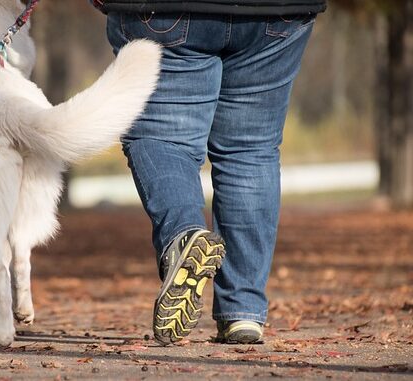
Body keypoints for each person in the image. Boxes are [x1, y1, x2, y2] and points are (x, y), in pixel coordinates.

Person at [94, 0, 327, 345]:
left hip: (164, 12)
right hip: (277, 13)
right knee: (251, 150)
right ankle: (243, 311)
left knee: (162, 137)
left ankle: (184, 236)